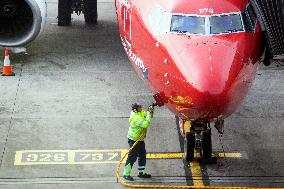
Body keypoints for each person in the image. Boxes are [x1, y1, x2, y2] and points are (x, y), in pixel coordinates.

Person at [122, 103, 154, 181]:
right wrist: (149, 113)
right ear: (135, 109)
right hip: (134, 140)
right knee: (132, 157)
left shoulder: (141, 112)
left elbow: (147, 116)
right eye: (140, 107)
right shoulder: (135, 117)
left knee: (142, 155)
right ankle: (126, 174)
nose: (141, 108)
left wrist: (150, 112)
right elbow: (146, 124)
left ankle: (141, 173)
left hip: (140, 140)